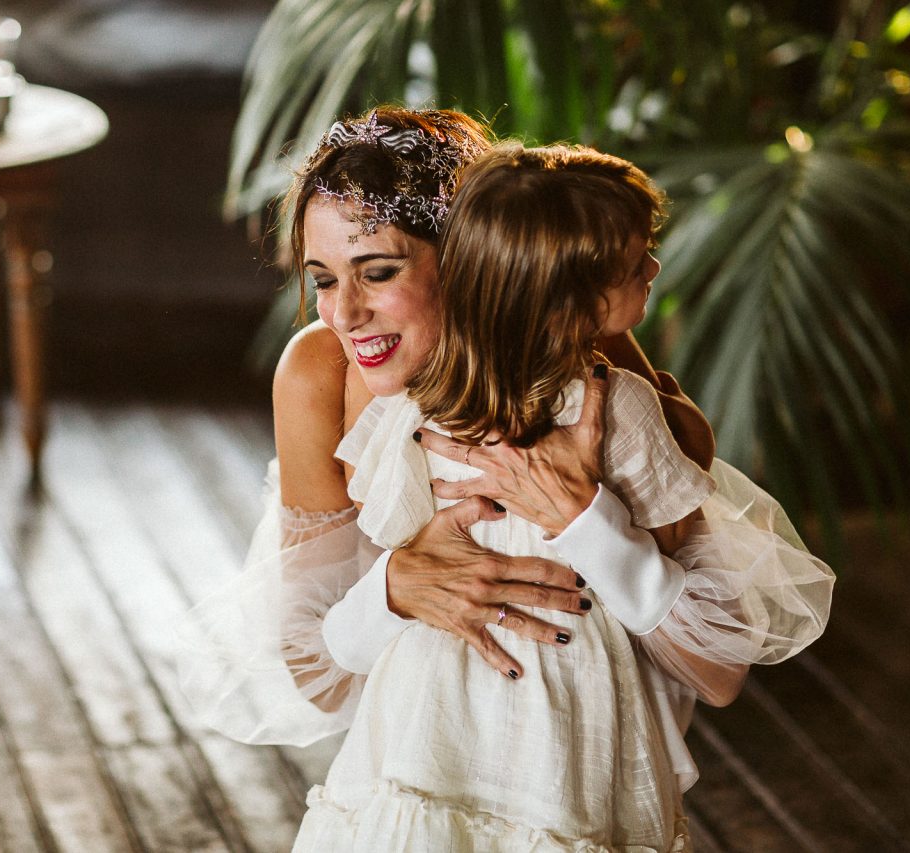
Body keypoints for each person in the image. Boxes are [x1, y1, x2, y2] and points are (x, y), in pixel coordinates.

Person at [176, 109, 832, 812]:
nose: (345, 313)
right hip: (420, 767)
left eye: (379, 271)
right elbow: (316, 672)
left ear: (467, 257)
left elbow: (715, 656)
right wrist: (395, 586)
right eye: (325, 279)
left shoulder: (578, 362)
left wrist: (587, 516)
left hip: (581, 771)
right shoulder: (318, 372)